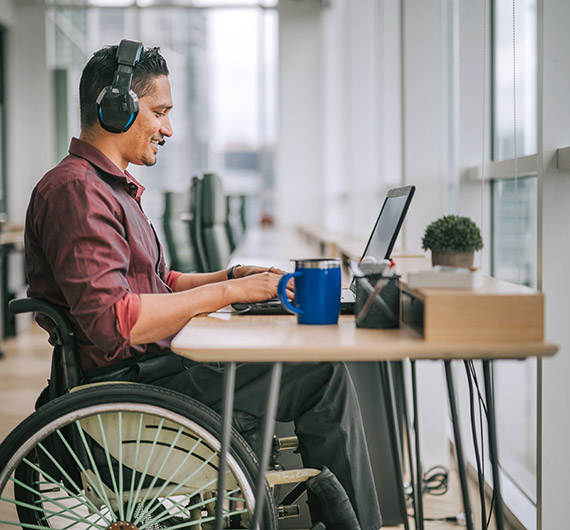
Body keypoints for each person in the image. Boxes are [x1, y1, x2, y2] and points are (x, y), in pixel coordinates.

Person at [24, 41, 382, 530]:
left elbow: (158, 282)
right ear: (117, 108)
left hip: (154, 370)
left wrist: (233, 277)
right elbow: (115, 322)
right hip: (133, 389)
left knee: (312, 367)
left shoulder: (107, 187)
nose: (168, 128)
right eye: (159, 112)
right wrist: (229, 295)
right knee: (320, 373)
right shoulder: (77, 191)